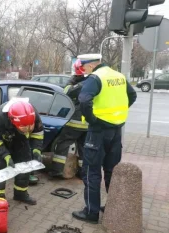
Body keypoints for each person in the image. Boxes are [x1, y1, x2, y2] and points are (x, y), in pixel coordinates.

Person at [72, 54, 137, 223]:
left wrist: (93, 120)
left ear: (91, 65)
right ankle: (113, 207)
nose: (84, 71)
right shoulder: (119, 76)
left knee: (91, 172)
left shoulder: (96, 78)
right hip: (116, 131)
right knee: (112, 170)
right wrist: (117, 114)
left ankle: (91, 213)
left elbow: (84, 101)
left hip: (98, 131)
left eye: (84, 67)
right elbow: (132, 95)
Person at [0, 98, 44, 205]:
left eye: (30, 127)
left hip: (21, 142)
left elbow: (38, 133)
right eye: (24, 127)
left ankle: (20, 195)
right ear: (13, 120)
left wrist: (37, 150)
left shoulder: (32, 113)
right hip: (2, 143)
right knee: (0, 170)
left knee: (25, 166)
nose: (28, 129)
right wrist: (6, 156)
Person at [49, 59, 88, 179]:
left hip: (76, 122)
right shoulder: (94, 82)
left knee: (63, 143)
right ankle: (83, 173)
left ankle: (57, 171)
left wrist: (72, 81)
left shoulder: (79, 85)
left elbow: (66, 92)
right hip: (89, 123)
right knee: (84, 148)